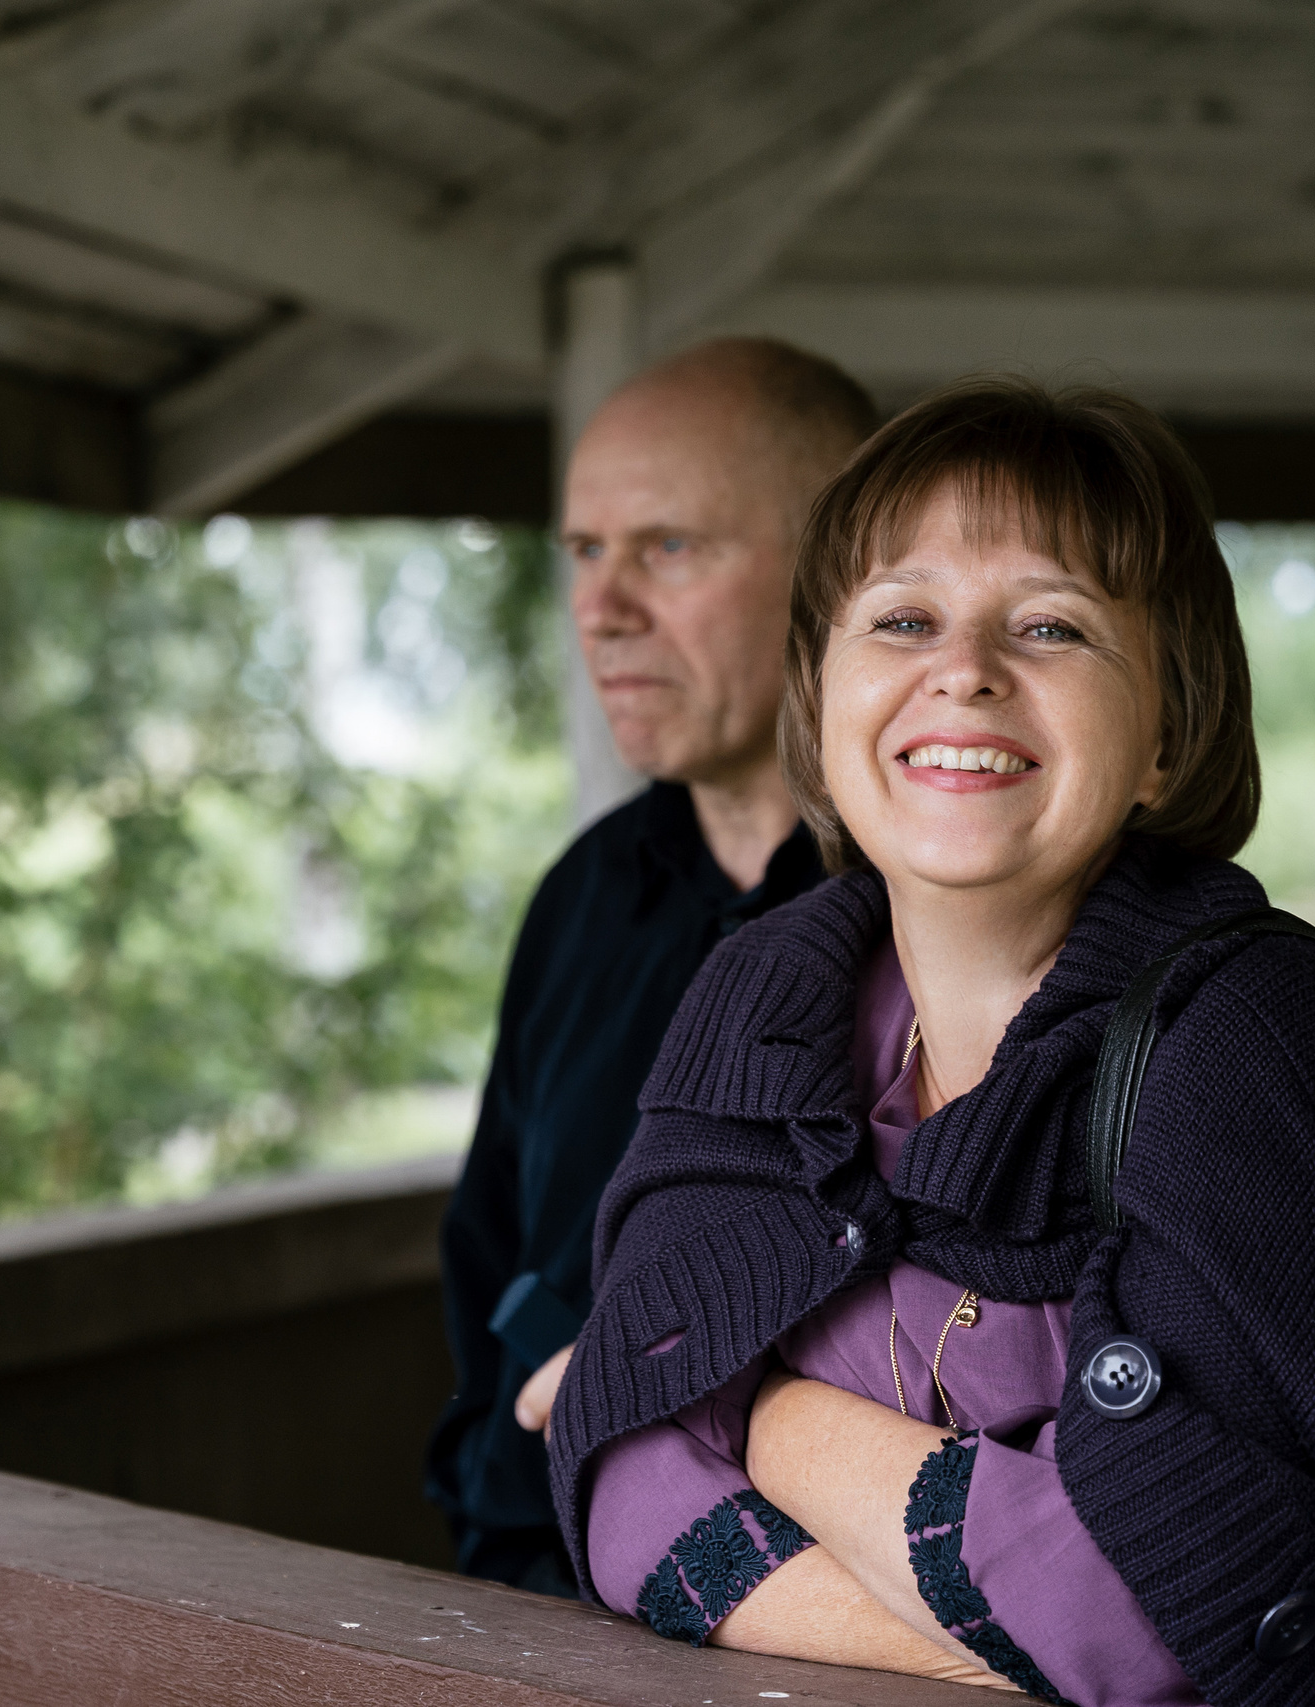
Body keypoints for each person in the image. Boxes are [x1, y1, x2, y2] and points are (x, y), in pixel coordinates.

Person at [547, 376, 1315, 1703]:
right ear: (820, 700)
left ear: (1166, 727)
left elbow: (1170, 1613)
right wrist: (1010, 1642)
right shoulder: (764, 1002)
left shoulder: (1261, 1039)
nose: (964, 668)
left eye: (1050, 625)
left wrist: (765, 1416)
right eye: (903, 617)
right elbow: (619, 1478)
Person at [424, 339, 878, 1594]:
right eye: (583, 550)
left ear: (837, 568)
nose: (601, 605)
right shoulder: (584, 896)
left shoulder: (945, 907)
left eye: (667, 547)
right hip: (543, 1596)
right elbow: (488, 1262)